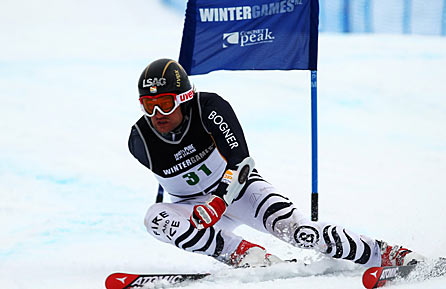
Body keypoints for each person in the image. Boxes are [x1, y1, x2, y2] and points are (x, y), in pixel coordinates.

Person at [128, 58, 425, 268]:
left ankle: (387, 254)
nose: (157, 113)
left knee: (298, 231)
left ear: (185, 97)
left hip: (239, 191)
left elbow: (241, 162)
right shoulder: (139, 140)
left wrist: (219, 201)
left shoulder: (209, 108)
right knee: (155, 218)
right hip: (194, 205)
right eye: (148, 104)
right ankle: (243, 254)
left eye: (165, 103)